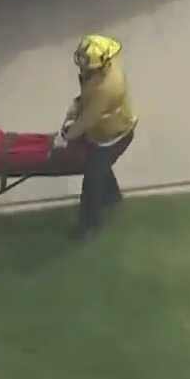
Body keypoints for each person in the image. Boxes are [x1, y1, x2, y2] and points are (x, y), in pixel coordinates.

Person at [55, 34, 137, 238]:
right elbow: (87, 100)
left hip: (112, 136)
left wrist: (67, 135)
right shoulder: (97, 73)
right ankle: (111, 196)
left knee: (92, 180)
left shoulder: (105, 88)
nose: (81, 66)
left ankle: (88, 226)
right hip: (103, 132)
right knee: (98, 166)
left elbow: (87, 121)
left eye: (85, 62)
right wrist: (78, 103)